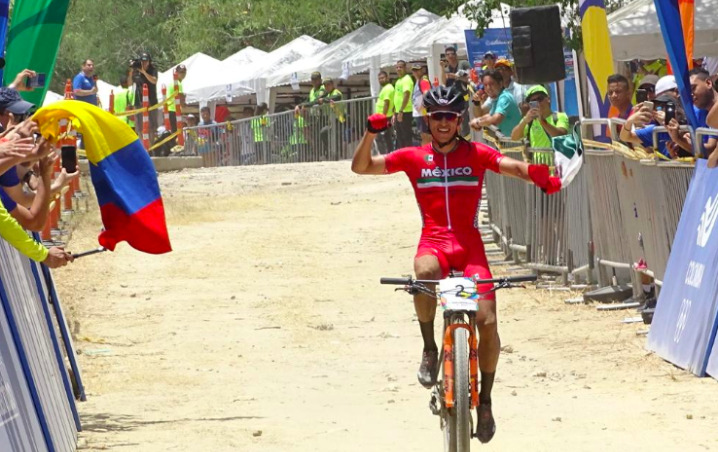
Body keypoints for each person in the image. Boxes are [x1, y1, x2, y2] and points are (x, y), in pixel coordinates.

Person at [352, 85, 561, 444]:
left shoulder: (476, 153)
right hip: (434, 242)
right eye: (437, 117)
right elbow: (361, 167)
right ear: (428, 120)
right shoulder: (414, 157)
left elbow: (509, 166)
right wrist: (371, 134)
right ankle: (430, 348)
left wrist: (538, 175)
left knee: (488, 321)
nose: (444, 123)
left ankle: (487, 401)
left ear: (459, 119)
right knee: (425, 274)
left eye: (450, 116)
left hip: (469, 245)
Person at [510, 85, 569, 152]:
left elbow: (561, 136)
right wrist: (525, 121)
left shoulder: (560, 116)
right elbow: (514, 138)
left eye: (540, 99)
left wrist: (542, 121)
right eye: (533, 101)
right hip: (537, 162)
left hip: (556, 161)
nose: (538, 103)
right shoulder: (529, 120)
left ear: (548, 99)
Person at [470, 70, 521, 138]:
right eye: (485, 85)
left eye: (491, 84)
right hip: (504, 144)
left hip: (514, 145)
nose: (488, 88)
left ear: (500, 84)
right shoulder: (494, 98)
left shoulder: (505, 98)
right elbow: (480, 114)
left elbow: (496, 119)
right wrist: (476, 102)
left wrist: (478, 122)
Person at [132, 52, 159, 145]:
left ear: (149, 61)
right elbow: (128, 83)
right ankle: (142, 147)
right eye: (142, 61)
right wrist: (131, 70)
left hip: (151, 102)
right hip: (139, 102)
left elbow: (154, 81)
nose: (144, 63)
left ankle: (151, 147)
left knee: (151, 127)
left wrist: (144, 72)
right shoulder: (136, 71)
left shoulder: (153, 70)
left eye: (146, 61)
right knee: (139, 127)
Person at [393, 60, 414, 148]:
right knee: (400, 137)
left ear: (405, 68)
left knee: (406, 136)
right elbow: (396, 98)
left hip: (405, 111)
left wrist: (401, 111)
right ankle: (402, 156)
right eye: (397, 67)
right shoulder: (398, 81)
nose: (398, 69)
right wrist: (395, 113)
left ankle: (408, 157)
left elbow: (407, 94)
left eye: (401, 67)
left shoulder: (407, 79)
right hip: (398, 112)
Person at [411, 64, 432, 145]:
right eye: (414, 70)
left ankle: (428, 156)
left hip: (424, 113)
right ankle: (426, 155)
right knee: (424, 136)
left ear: (421, 71)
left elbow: (427, 94)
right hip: (419, 114)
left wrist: (422, 106)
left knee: (427, 136)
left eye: (417, 70)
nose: (416, 72)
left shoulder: (423, 81)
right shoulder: (417, 82)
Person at [167, 64, 187, 148]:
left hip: (170, 110)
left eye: (183, 72)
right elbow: (181, 98)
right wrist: (185, 104)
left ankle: (174, 147)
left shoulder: (172, 83)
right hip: (174, 111)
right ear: (177, 73)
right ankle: (176, 148)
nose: (182, 74)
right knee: (176, 132)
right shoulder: (178, 84)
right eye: (180, 72)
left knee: (174, 132)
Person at [375, 70, 395, 154]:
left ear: (387, 78)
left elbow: (386, 103)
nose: (381, 80)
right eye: (379, 79)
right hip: (385, 116)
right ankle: (388, 153)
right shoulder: (386, 88)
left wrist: (383, 117)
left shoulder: (387, 88)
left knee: (380, 137)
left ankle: (383, 155)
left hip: (384, 117)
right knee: (387, 137)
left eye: (382, 78)